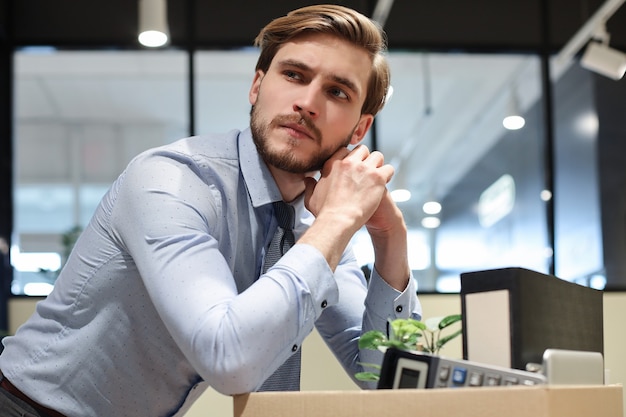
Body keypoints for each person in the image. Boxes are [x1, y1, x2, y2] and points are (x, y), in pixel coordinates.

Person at [0, 4, 421, 416]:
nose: (307, 102)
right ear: (257, 86)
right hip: (23, 405)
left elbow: (383, 375)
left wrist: (390, 239)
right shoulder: (172, 179)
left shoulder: (320, 226)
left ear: (359, 129)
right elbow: (230, 359)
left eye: (337, 92)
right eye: (294, 75)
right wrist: (338, 222)